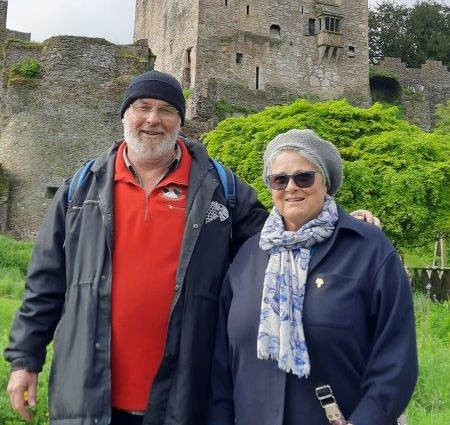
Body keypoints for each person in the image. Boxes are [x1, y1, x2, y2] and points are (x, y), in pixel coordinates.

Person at [4, 72, 380, 425]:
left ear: (180, 122)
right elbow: (45, 283)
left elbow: (283, 233)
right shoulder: (80, 189)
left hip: (184, 396)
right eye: (143, 107)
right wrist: (25, 359)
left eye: (166, 110)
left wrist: (342, 224)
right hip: (87, 394)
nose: (153, 119)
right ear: (125, 116)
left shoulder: (220, 188)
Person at [208, 129, 418, 425]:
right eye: (279, 179)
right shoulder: (247, 258)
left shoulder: (368, 250)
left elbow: (395, 358)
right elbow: (222, 368)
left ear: (326, 183)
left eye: (304, 177)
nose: (291, 187)